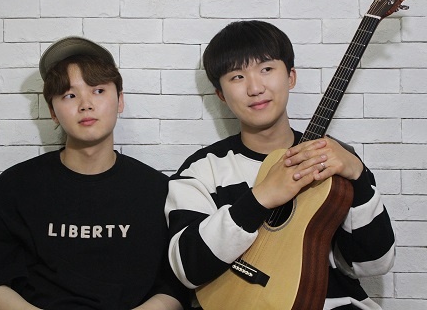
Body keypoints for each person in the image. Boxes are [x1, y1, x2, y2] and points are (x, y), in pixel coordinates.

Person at [165, 20, 395, 309]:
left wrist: (358, 177)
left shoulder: (335, 159)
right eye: (237, 76)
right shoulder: (202, 169)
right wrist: (261, 197)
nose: (255, 88)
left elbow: (374, 264)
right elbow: (188, 269)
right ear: (221, 94)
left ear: (291, 77)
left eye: (266, 69)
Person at [0, 36, 190, 310]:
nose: (86, 104)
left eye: (98, 90)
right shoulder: (15, 187)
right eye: (69, 95)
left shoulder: (157, 190)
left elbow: (175, 286)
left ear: (120, 100)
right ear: (53, 112)